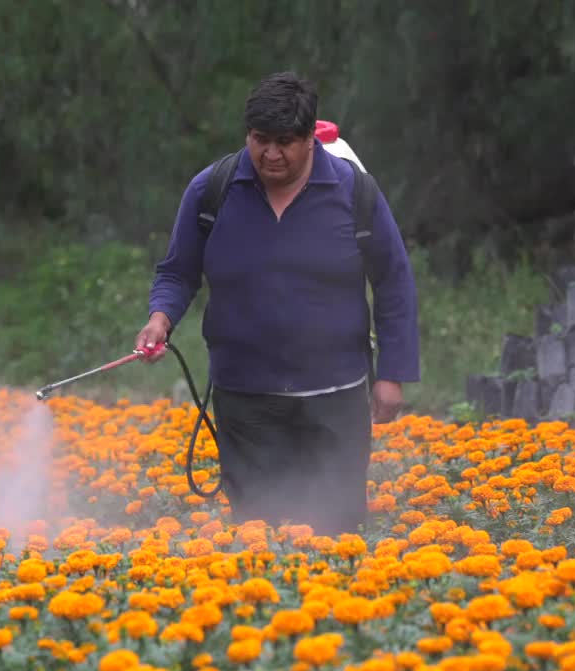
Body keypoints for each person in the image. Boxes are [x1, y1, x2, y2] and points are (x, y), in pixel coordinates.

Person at [135, 71, 420, 537]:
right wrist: (159, 318)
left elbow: (393, 282)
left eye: (285, 141)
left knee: (337, 536)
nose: (271, 153)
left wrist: (392, 374)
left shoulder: (354, 192)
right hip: (246, 403)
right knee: (255, 538)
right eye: (260, 139)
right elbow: (178, 271)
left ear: (312, 139)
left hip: (335, 401)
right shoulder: (213, 191)